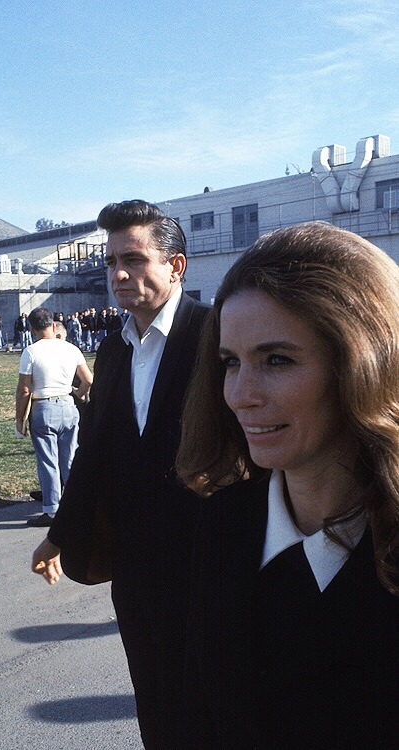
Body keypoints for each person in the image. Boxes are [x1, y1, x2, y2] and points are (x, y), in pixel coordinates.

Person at [175, 222, 399, 749]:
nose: (241, 394)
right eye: (231, 363)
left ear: (365, 364)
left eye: (278, 360)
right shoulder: (220, 522)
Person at [31, 199, 210, 749]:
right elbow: (95, 454)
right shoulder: (112, 350)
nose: (119, 274)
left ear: (175, 266)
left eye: (133, 259)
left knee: (213, 700)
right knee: (153, 696)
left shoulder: (217, 336)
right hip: (137, 568)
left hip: (210, 559)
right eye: (111, 263)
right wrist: (60, 533)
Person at [16, 307, 93, 527]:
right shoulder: (70, 348)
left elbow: (24, 390)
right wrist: (76, 393)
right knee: (69, 458)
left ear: (32, 330)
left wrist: (19, 418)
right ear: (52, 325)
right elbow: (88, 379)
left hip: (44, 406)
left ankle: (52, 510)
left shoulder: (31, 351)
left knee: (48, 461)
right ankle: (77, 504)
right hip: (68, 405)